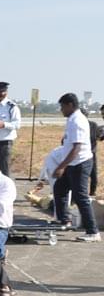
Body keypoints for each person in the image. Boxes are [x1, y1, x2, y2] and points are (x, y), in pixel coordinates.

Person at [53, 93, 100, 242]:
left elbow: (76, 148)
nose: (61, 110)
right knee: (60, 189)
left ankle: (93, 232)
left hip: (79, 163)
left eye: (62, 107)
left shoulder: (78, 121)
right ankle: (64, 221)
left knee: (81, 197)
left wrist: (61, 166)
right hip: (72, 163)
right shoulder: (73, 119)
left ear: (70, 105)